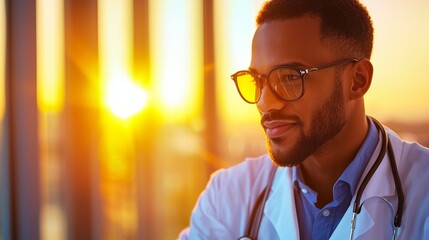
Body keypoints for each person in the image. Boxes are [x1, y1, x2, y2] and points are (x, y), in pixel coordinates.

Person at [180, 0, 429, 239]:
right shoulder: (226, 198)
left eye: (289, 77)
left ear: (358, 80)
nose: (265, 103)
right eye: (257, 80)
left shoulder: (423, 190)